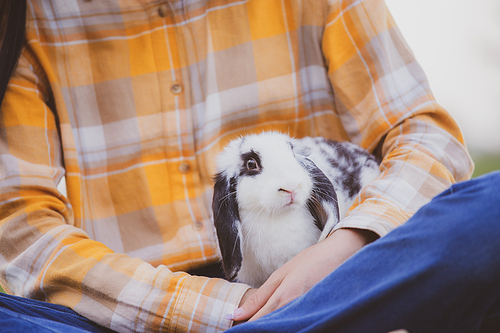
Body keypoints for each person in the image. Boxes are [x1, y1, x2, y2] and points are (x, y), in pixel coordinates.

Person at [1, 0, 490, 332]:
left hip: (339, 283)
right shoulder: (27, 16)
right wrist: (220, 311)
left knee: (488, 210)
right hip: (129, 319)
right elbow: (23, 231)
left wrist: (343, 249)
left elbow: (426, 134)